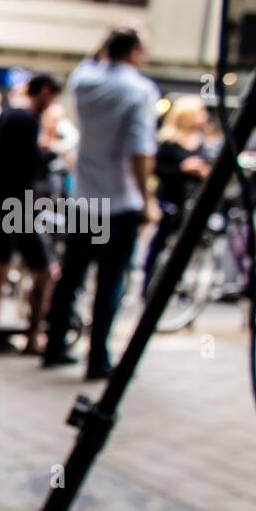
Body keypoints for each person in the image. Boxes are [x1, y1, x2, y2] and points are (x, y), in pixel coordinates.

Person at [42, 28, 160, 380]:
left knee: (71, 278)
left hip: (84, 199)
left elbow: (90, 61)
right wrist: (147, 200)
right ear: (136, 52)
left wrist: (107, 43)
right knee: (109, 284)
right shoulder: (139, 90)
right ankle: (97, 359)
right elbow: (139, 150)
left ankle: (54, 346)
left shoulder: (85, 81)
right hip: (119, 202)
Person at [0, 73, 62, 353]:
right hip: (19, 205)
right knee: (44, 272)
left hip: (1, 201)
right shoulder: (26, 121)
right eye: (52, 97)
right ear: (43, 91)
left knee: (0, 265)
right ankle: (32, 337)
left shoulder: (5, 116)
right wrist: (47, 153)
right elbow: (27, 165)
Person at [141, 95, 211, 295]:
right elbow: (155, 170)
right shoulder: (168, 141)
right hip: (169, 198)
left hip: (191, 201)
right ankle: (148, 286)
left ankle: (175, 285)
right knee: (159, 244)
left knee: (184, 245)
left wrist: (202, 171)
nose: (204, 116)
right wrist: (182, 169)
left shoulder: (200, 142)